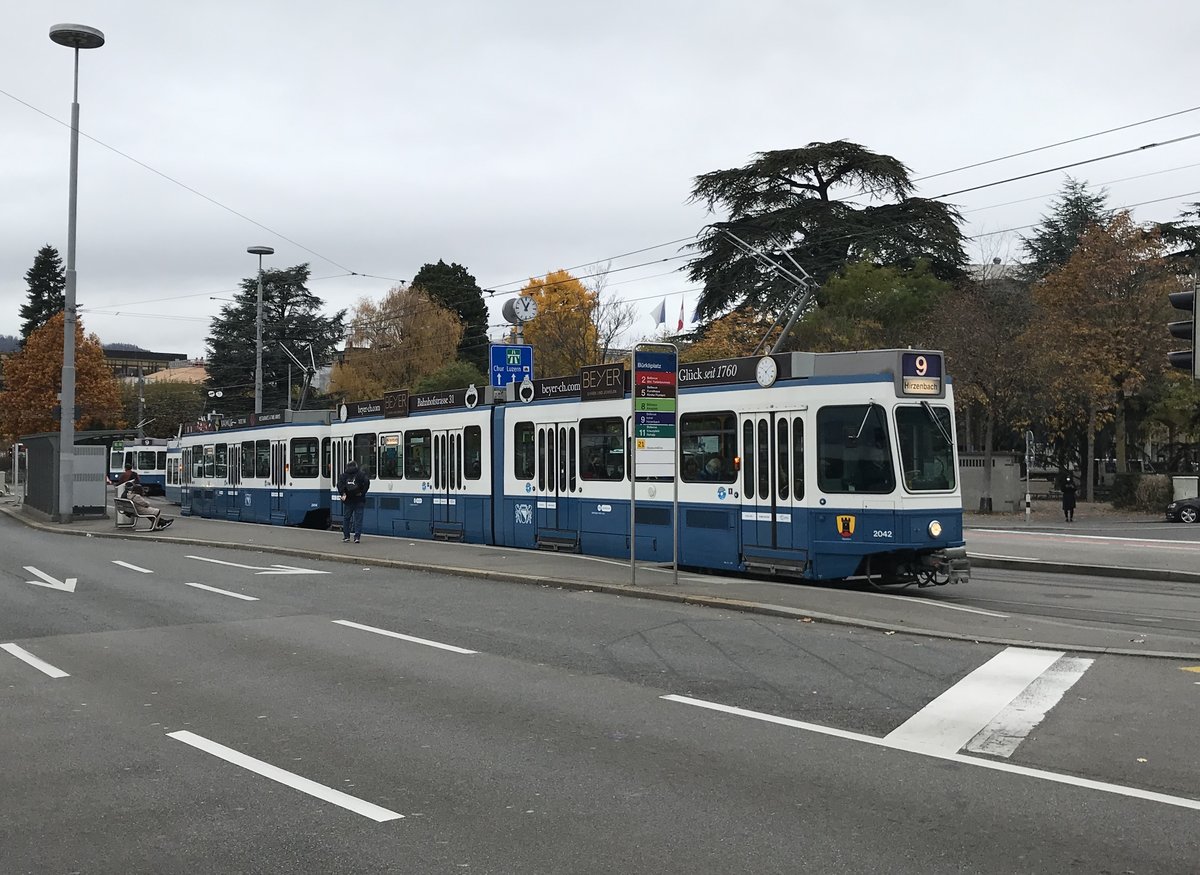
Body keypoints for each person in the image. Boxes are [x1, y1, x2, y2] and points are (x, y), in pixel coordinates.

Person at [337, 460, 370, 543]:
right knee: (358, 519)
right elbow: (367, 482)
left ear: (347, 467)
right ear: (356, 466)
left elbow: (339, 485)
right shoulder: (361, 474)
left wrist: (343, 494)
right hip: (359, 500)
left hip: (348, 501)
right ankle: (357, 537)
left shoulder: (343, 475)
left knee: (346, 518)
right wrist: (362, 493)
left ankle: (346, 536)